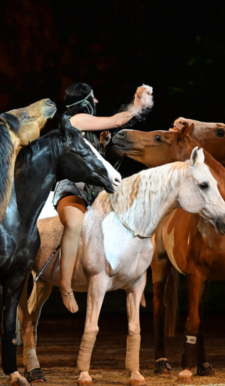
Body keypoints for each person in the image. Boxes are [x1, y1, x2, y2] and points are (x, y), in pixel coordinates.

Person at [53, 82, 152, 313]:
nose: (96, 102)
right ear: (83, 101)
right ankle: (65, 286)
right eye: (93, 98)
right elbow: (117, 120)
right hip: (73, 188)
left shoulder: (85, 126)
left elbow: (94, 164)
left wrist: (102, 146)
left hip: (94, 191)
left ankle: (135, 279)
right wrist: (137, 105)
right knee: (75, 224)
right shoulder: (75, 120)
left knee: (131, 219)